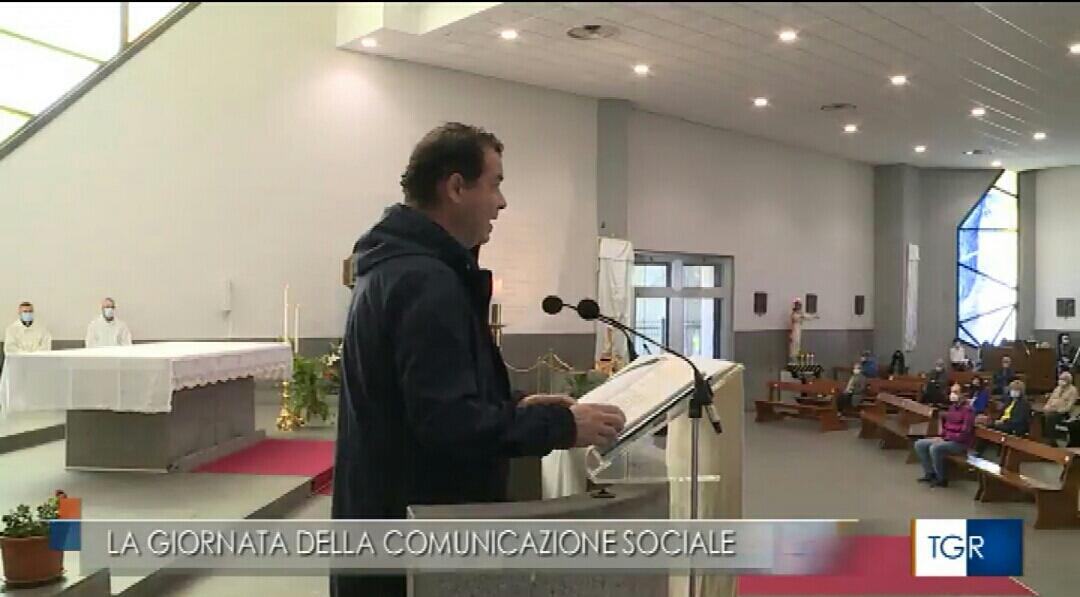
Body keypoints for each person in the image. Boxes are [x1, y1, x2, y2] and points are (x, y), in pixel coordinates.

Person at [330, 123, 627, 597]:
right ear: (455, 187)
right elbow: (447, 424)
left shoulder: (396, 268)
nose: (501, 203)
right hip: (415, 541)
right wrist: (562, 427)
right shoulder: (425, 281)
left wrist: (515, 404)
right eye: (495, 184)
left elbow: (421, 395)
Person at [913, 384, 976, 488]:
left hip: (959, 444)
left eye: (955, 392)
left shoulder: (968, 411)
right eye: (951, 392)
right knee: (919, 444)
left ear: (963, 394)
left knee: (935, 448)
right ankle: (930, 473)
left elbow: (964, 433)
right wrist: (941, 437)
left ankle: (941, 478)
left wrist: (946, 438)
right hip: (947, 439)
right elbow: (947, 426)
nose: (952, 395)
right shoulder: (952, 407)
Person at [974, 380, 1031, 457]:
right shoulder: (1009, 401)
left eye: (1016, 390)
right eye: (1012, 389)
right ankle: (979, 451)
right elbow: (1002, 413)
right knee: (985, 425)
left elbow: (1019, 419)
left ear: (1021, 392)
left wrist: (1004, 421)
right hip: (1003, 422)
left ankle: (981, 452)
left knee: (991, 427)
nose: (1013, 392)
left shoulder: (1024, 404)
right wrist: (997, 420)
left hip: (1015, 426)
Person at [1042, 372, 1078, 445]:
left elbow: (1069, 406)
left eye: (1064, 379)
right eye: (1060, 379)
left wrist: (1057, 410)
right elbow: (1051, 399)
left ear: (1069, 381)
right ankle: (1044, 437)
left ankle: (1050, 440)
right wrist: (1046, 407)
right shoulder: (1057, 388)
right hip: (1052, 410)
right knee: (1042, 416)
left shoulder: (1073, 390)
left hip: (1063, 412)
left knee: (1050, 417)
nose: (1061, 381)